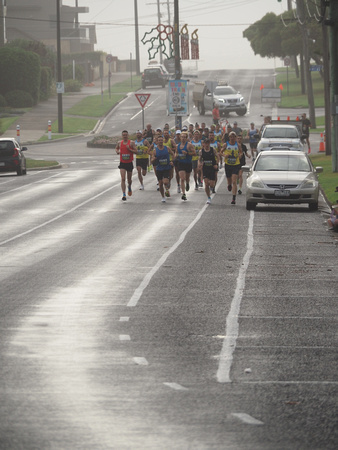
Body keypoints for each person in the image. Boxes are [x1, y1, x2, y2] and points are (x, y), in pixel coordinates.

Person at [151, 134, 175, 203]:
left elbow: (173, 154)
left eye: (161, 140)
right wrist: (154, 159)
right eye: (159, 140)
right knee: (160, 184)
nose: (160, 141)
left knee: (165, 181)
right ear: (157, 142)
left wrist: (172, 161)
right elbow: (152, 160)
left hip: (166, 167)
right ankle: (163, 197)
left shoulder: (167, 148)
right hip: (159, 169)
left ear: (163, 141)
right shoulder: (155, 150)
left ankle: (167, 189)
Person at [115, 130, 138, 201]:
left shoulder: (131, 143)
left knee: (129, 180)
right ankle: (124, 194)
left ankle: (129, 186)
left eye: (126, 135)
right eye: (123, 135)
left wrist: (129, 149)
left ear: (128, 136)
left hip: (129, 163)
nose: (125, 136)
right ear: (122, 136)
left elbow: (136, 151)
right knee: (123, 178)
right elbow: (116, 148)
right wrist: (117, 151)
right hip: (122, 163)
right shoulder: (119, 143)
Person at [222, 131, 243, 205]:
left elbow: (241, 152)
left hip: (236, 164)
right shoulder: (226, 144)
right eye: (231, 137)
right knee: (229, 180)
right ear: (229, 137)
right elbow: (221, 152)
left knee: (234, 181)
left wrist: (240, 155)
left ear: (235, 137)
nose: (232, 138)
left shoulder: (238, 145)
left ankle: (233, 198)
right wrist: (225, 155)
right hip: (228, 164)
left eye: (234, 137)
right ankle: (229, 185)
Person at [176, 132, 196, 201]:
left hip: (188, 163)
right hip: (181, 164)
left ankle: (187, 183)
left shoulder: (189, 145)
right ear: (180, 138)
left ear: (186, 138)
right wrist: (176, 156)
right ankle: (183, 194)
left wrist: (187, 153)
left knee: (187, 178)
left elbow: (194, 153)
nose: (183, 138)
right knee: (182, 178)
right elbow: (176, 153)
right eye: (182, 137)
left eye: (184, 137)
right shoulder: (178, 146)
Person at [199, 138, 218, 204]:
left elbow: (217, 156)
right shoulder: (201, 151)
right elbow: (199, 159)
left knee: (212, 185)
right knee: (206, 184)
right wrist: (200, 163)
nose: (206, 145)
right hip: (205, 169)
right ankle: (208, 198)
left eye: (208, 143)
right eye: (205, 143)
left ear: (209, 143)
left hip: (212, 168)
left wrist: (216, 164)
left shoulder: (213, 150)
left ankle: (212, 188)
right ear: (203, 144)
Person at [163, 128, 177, 195]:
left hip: (170, 160)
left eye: (167, 133)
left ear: (168, 134)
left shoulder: (171, 141)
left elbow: (176, 148)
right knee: (165, 175)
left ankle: (169, 182)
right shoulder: (161, 141)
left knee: (171, 175)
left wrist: (170, 149)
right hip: (163, 161)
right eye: (165, 133)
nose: (166, 134)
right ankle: (166, 189)